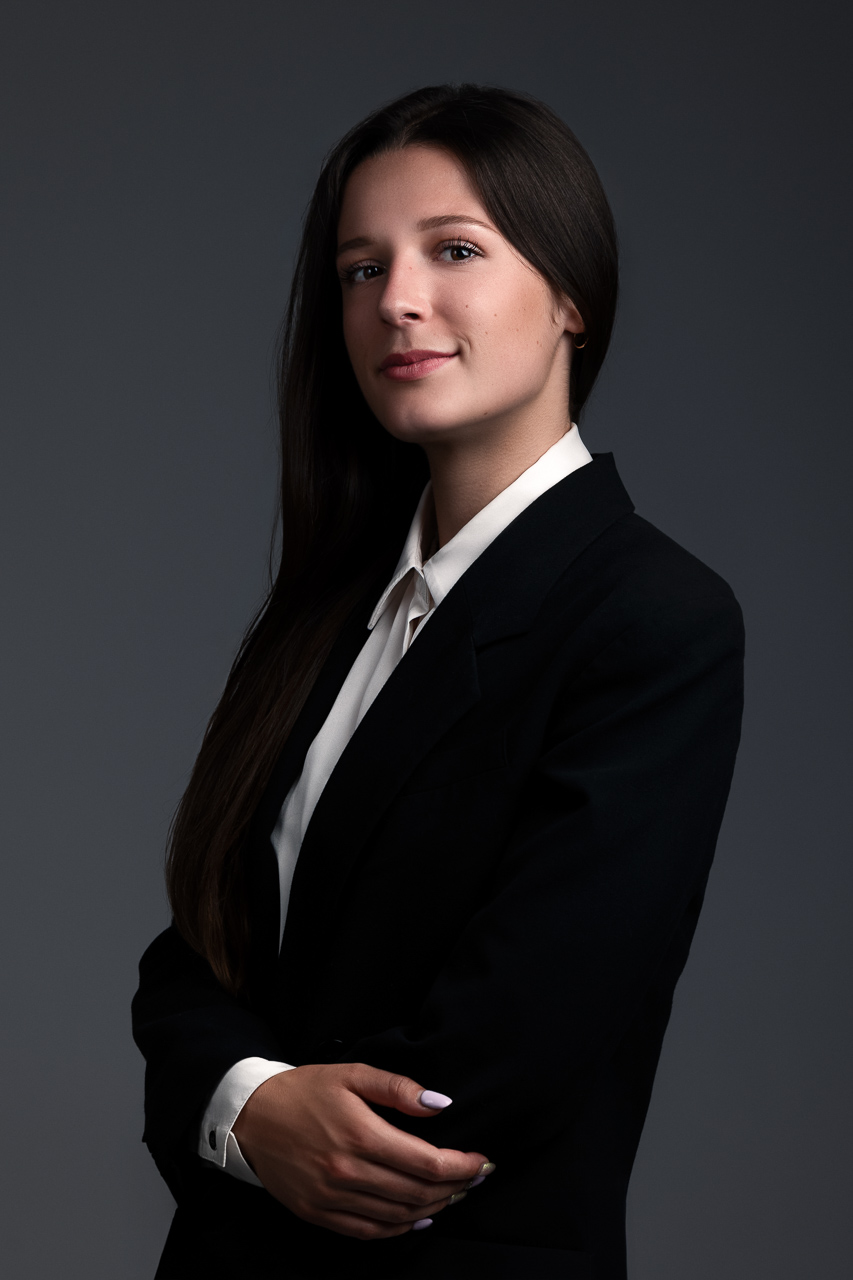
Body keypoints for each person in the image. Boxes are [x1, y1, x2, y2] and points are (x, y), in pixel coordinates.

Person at [132, 84, 744, 1280]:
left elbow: (512, 1040)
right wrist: (250, 1109)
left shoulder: (652, 616)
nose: (397, 299)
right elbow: (197, 949)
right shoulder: (324, 610)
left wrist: (274, 1122)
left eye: (454, 249)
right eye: (361, 269)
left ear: (572, 294)